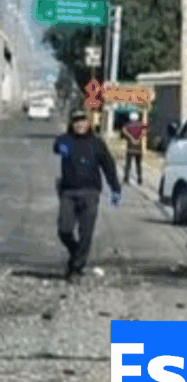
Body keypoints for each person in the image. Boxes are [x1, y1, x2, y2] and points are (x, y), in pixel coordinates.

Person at [53, 110, 122, 281]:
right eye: (76, 121)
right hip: (68, 192)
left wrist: (115, 189)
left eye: (83, 121)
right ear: (72, 123)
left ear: (88, 123)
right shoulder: (66, 140)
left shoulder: (97, 143)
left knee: (86, 233)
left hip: (90, 193)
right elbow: (56, 146)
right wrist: (60, 147)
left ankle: (76, 268)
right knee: (64, 229)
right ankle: (76, 253)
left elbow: (108, 166)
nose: (80, 124)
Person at [121, 111, 147, 185]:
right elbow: (144, 132)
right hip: (138, 148)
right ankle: (140, 179)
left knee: (128, 164)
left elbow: (123, 130)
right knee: (138, 164)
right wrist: (139, 139)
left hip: (130, 148)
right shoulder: (141, 124)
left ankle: (126, 178)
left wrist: (131, 138)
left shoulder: (128, 124)